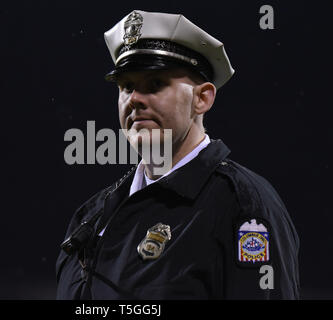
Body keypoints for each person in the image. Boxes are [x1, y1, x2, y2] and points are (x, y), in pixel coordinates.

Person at [56, 10, 299, 299]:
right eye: (127, 86)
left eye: (155, 84)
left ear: (202, 98)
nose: (134, 99)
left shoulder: (244, 205)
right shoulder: (91, 217)